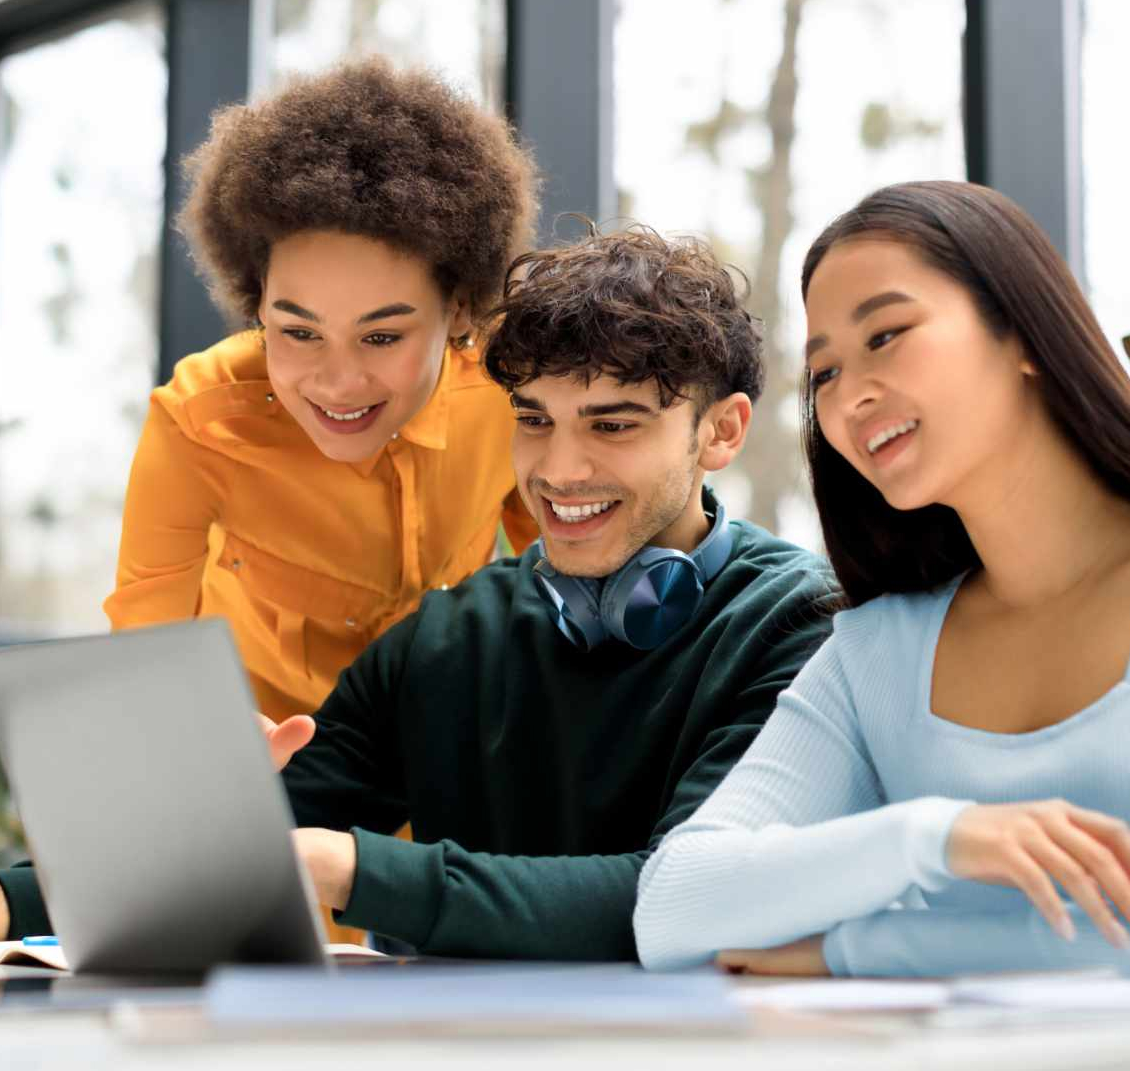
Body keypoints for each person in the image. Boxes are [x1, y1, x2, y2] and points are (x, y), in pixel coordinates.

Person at [0, 226, 833, 958]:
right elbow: (243, 835)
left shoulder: (799, 626)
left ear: (721, 431)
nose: (559, 469)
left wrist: (348, 868)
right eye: (534, 420)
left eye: (613, 424)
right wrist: (14, 901)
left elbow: (681, 894)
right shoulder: (449, 638)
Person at [634, 180, 1130, 978]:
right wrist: (932, 838)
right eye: (823, 373)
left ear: (1024, 334)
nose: (850, 395)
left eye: (887, 334)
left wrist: (850, 948)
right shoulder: (880, 654)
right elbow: (674, 907)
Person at [105, 56, 540, 724]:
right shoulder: (198, 422)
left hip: (445, 776)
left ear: (457, 310)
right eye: (299, 333)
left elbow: (570, 585)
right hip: (264, 784)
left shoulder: (512, 394)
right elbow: (140, 664)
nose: (338, 383)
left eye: (382, 337)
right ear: (257, 304)